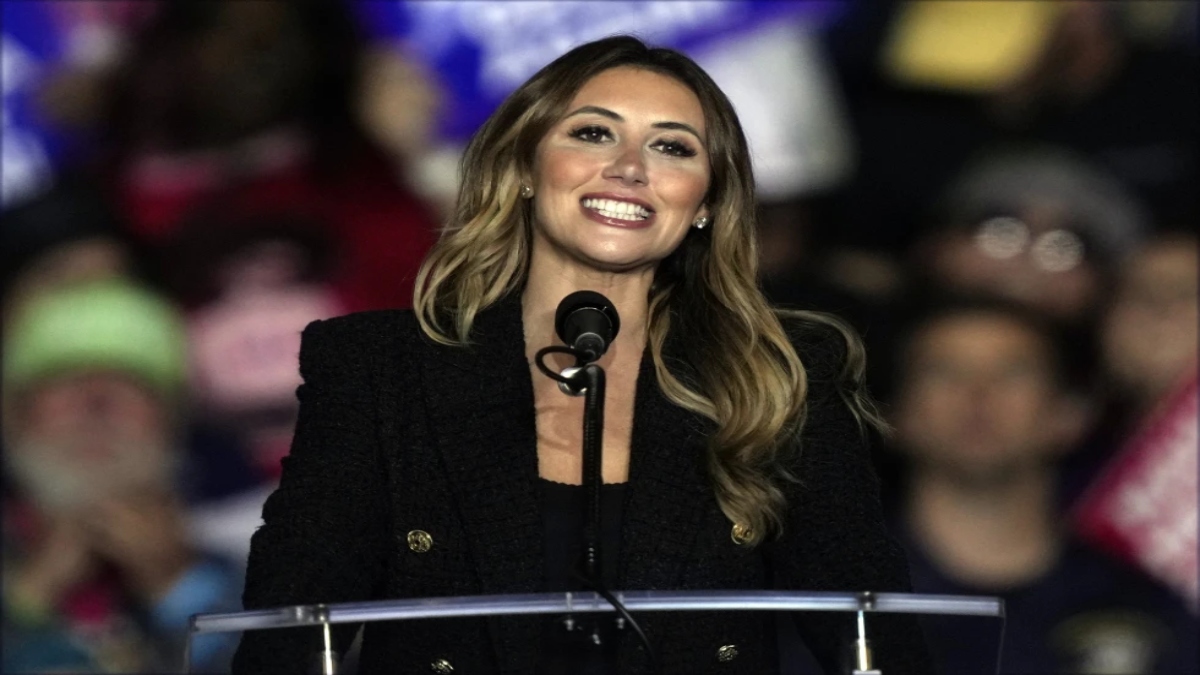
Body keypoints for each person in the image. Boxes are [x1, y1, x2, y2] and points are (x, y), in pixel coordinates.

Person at [232, 36, 931, 674]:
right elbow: (287, 632)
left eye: (673, 147)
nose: (629, 168)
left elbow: (871, 637)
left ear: (707, 203)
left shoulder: (782, 376)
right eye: (594, 133)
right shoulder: (378, 366)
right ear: (526, 166)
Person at [885, 297, 1198, 674]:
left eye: (1014, 373)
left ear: (1069, 415)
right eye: (943, 372)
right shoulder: (830, 602)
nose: (977, 395)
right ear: (895, 415)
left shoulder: (1144, 612)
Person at [1, 279, 241, 673]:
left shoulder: (259, 577)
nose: (97, 401)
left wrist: (180, 589)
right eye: (65, 379)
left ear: (171, 424)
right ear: (14, 417)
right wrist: (26, 601)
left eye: (130, 382)